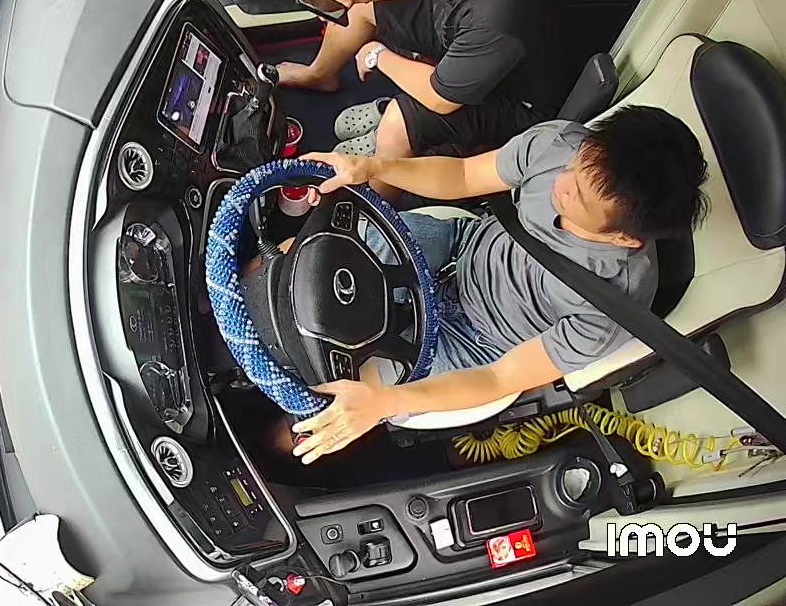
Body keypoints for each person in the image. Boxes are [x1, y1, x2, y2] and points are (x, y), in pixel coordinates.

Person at [283, 107, 709, 465]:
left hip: (481, 346)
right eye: (575, 166)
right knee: (311, 256)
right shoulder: (560, 144)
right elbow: (465, 175)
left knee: (325, 400)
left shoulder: (609, 307)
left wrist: (382, 402)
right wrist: (374, 167)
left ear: (624, 238)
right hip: (460, 247)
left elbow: (497, 378)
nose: (561, 182)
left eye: (578, 196)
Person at [275, 0, 572, 198]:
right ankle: (320, 75)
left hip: (515, 100)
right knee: (360, 7)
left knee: (397, 122)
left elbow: (441, 97)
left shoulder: (499, 14)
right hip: (467, 43)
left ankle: (375, 209)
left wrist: (377, 55)